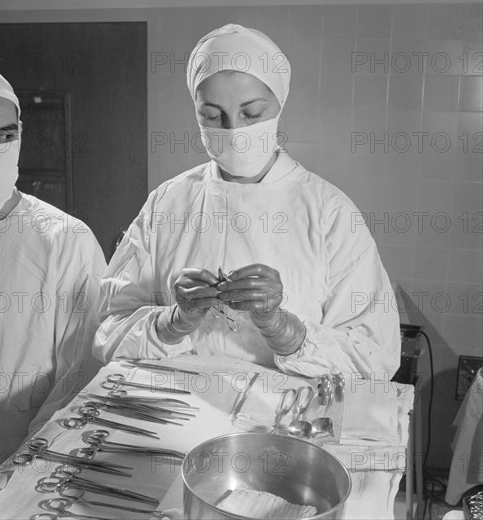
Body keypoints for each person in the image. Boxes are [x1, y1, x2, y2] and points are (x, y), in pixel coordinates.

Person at [94, 24, 400, 380]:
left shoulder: (329, 212)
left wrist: (285, 330)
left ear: (279, 105)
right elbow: (107, 330)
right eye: (212, 116)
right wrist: (172, 323)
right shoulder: (168, 204)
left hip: (284, 423)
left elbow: (376, 359)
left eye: (251, 113)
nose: (234, 131)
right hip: (180, 414)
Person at [0, 64, 106, 499]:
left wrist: (27, 468)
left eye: (5, 135)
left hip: (28, 457)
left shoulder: (65, 241)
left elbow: (83, 374)